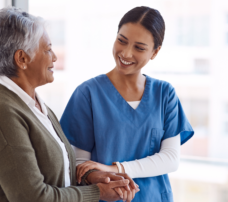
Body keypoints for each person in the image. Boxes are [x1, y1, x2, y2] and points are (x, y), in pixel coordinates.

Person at [0, 7, 139, 202]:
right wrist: (97, 192)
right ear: (22, 59)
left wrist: (90, 178)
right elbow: (33, 197)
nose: (54, 57)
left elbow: (51, 172)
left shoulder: (33, 103)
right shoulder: (2, 112)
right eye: (47, 49)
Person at [60, 6, 195, 202]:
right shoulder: (88, 93)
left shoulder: (164, 94)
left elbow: (171, 159)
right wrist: (102, 175)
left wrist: (116, 168)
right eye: (121, 41)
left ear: (155, 52)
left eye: (139, 48)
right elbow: (81, 164)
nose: (126, 53)